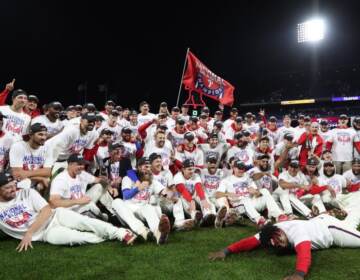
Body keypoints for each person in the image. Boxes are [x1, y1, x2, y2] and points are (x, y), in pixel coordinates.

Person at [0, 171, 136, 251]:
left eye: (14, 185)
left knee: (85, 222)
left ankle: (121, 233)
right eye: (8, 188)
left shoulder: (26, 193)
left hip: (56, 215)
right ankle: (108, 236)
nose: (13, 189)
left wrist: (29, 233)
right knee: (77, 238)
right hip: (45, 235)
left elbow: (47, 210)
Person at [208, 211, 360, 280]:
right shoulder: (270, 232)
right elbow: (249, 242)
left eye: (278, 239)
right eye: (276, 244)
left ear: (279, 231)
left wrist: (299, 274)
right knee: (352, 221)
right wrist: (226, 251)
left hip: (331, 230)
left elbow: (304, 252)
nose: (279, 242)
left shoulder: (295, 230)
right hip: (319, 222)